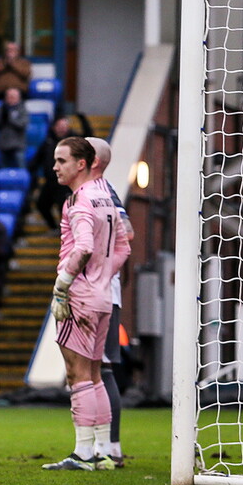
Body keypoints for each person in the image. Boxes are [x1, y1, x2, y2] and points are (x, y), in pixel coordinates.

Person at [41, 137, 130, 472]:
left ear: (82, 164)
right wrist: (104, 277)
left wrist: (63, 287)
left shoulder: (79, 202)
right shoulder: (106, 198)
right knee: (95, 374)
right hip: (103, 295)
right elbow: (123, 246)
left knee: (77, 374)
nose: (55, 167)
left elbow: (83, 248)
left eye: (61, 160)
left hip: (79, 296)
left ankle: (83, 454)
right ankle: (103, 452)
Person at [86, 136, 134, 468]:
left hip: (99, 293)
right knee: (88, 370)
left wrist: (101, 273)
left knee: (99, 369)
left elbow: (127, 233)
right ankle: (94, 446)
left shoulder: (103, 192)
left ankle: (108, 447)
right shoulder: (88, 192)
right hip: (89, 291)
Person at [0, 87, 28, 169]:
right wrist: (2, 119)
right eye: (9, 96)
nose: (11, 99)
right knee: (3, 170)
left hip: (18, 145)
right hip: (4, 145)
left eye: (13, 97)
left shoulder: (22, 109)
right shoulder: (1, 109)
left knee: (21, 168)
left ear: (18, 98)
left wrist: (10, 119)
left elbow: (23, 124)